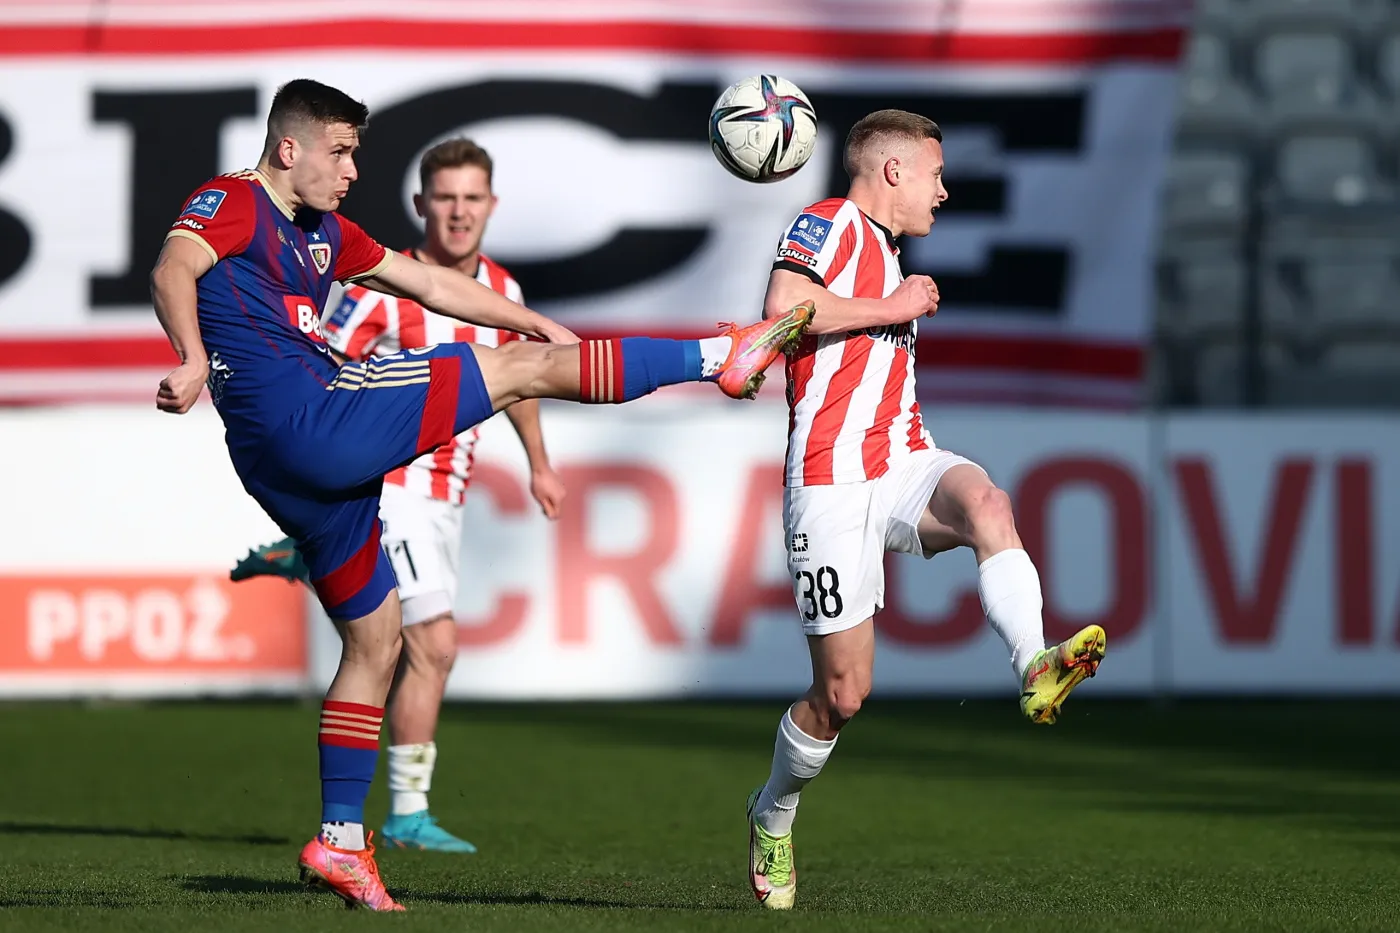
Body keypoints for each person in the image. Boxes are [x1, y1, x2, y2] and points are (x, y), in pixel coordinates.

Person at [150, 78, 814, 912]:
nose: (354, 169)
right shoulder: (234, 202)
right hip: (310, 416)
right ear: (292, 149)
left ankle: (343, 842)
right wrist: (187, 355)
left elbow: (426, 284)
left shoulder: (325, 232)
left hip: (297, 463)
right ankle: (724, 357)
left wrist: (524, 317)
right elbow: (175, 264)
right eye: (342, 151)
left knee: (377, 641)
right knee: (512, 376)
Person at [743, 109, 1107, 911]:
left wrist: (896, 296)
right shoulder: (827, 222)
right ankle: (774, 807)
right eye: (935, 175)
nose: (943, 192)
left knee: (988, 503)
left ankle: (1034, 667)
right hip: (829, 482)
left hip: (904, 459)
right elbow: (780, 312)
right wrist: (892, 305)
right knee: (843, 694)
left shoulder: (888, 249)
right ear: (895, 171)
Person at [230, 137, 563, 854]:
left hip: (447, 494)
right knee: (434, 643)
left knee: (432, 652)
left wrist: (539, 461)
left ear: (491, 206)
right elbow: (321, 366)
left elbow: (523, 377)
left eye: (472, 197)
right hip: (393, 484)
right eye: (444, 197)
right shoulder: (387, 285)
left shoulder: (503, 293)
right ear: (422, 205)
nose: (458, 212)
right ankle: (406, 812)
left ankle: (309, 554)